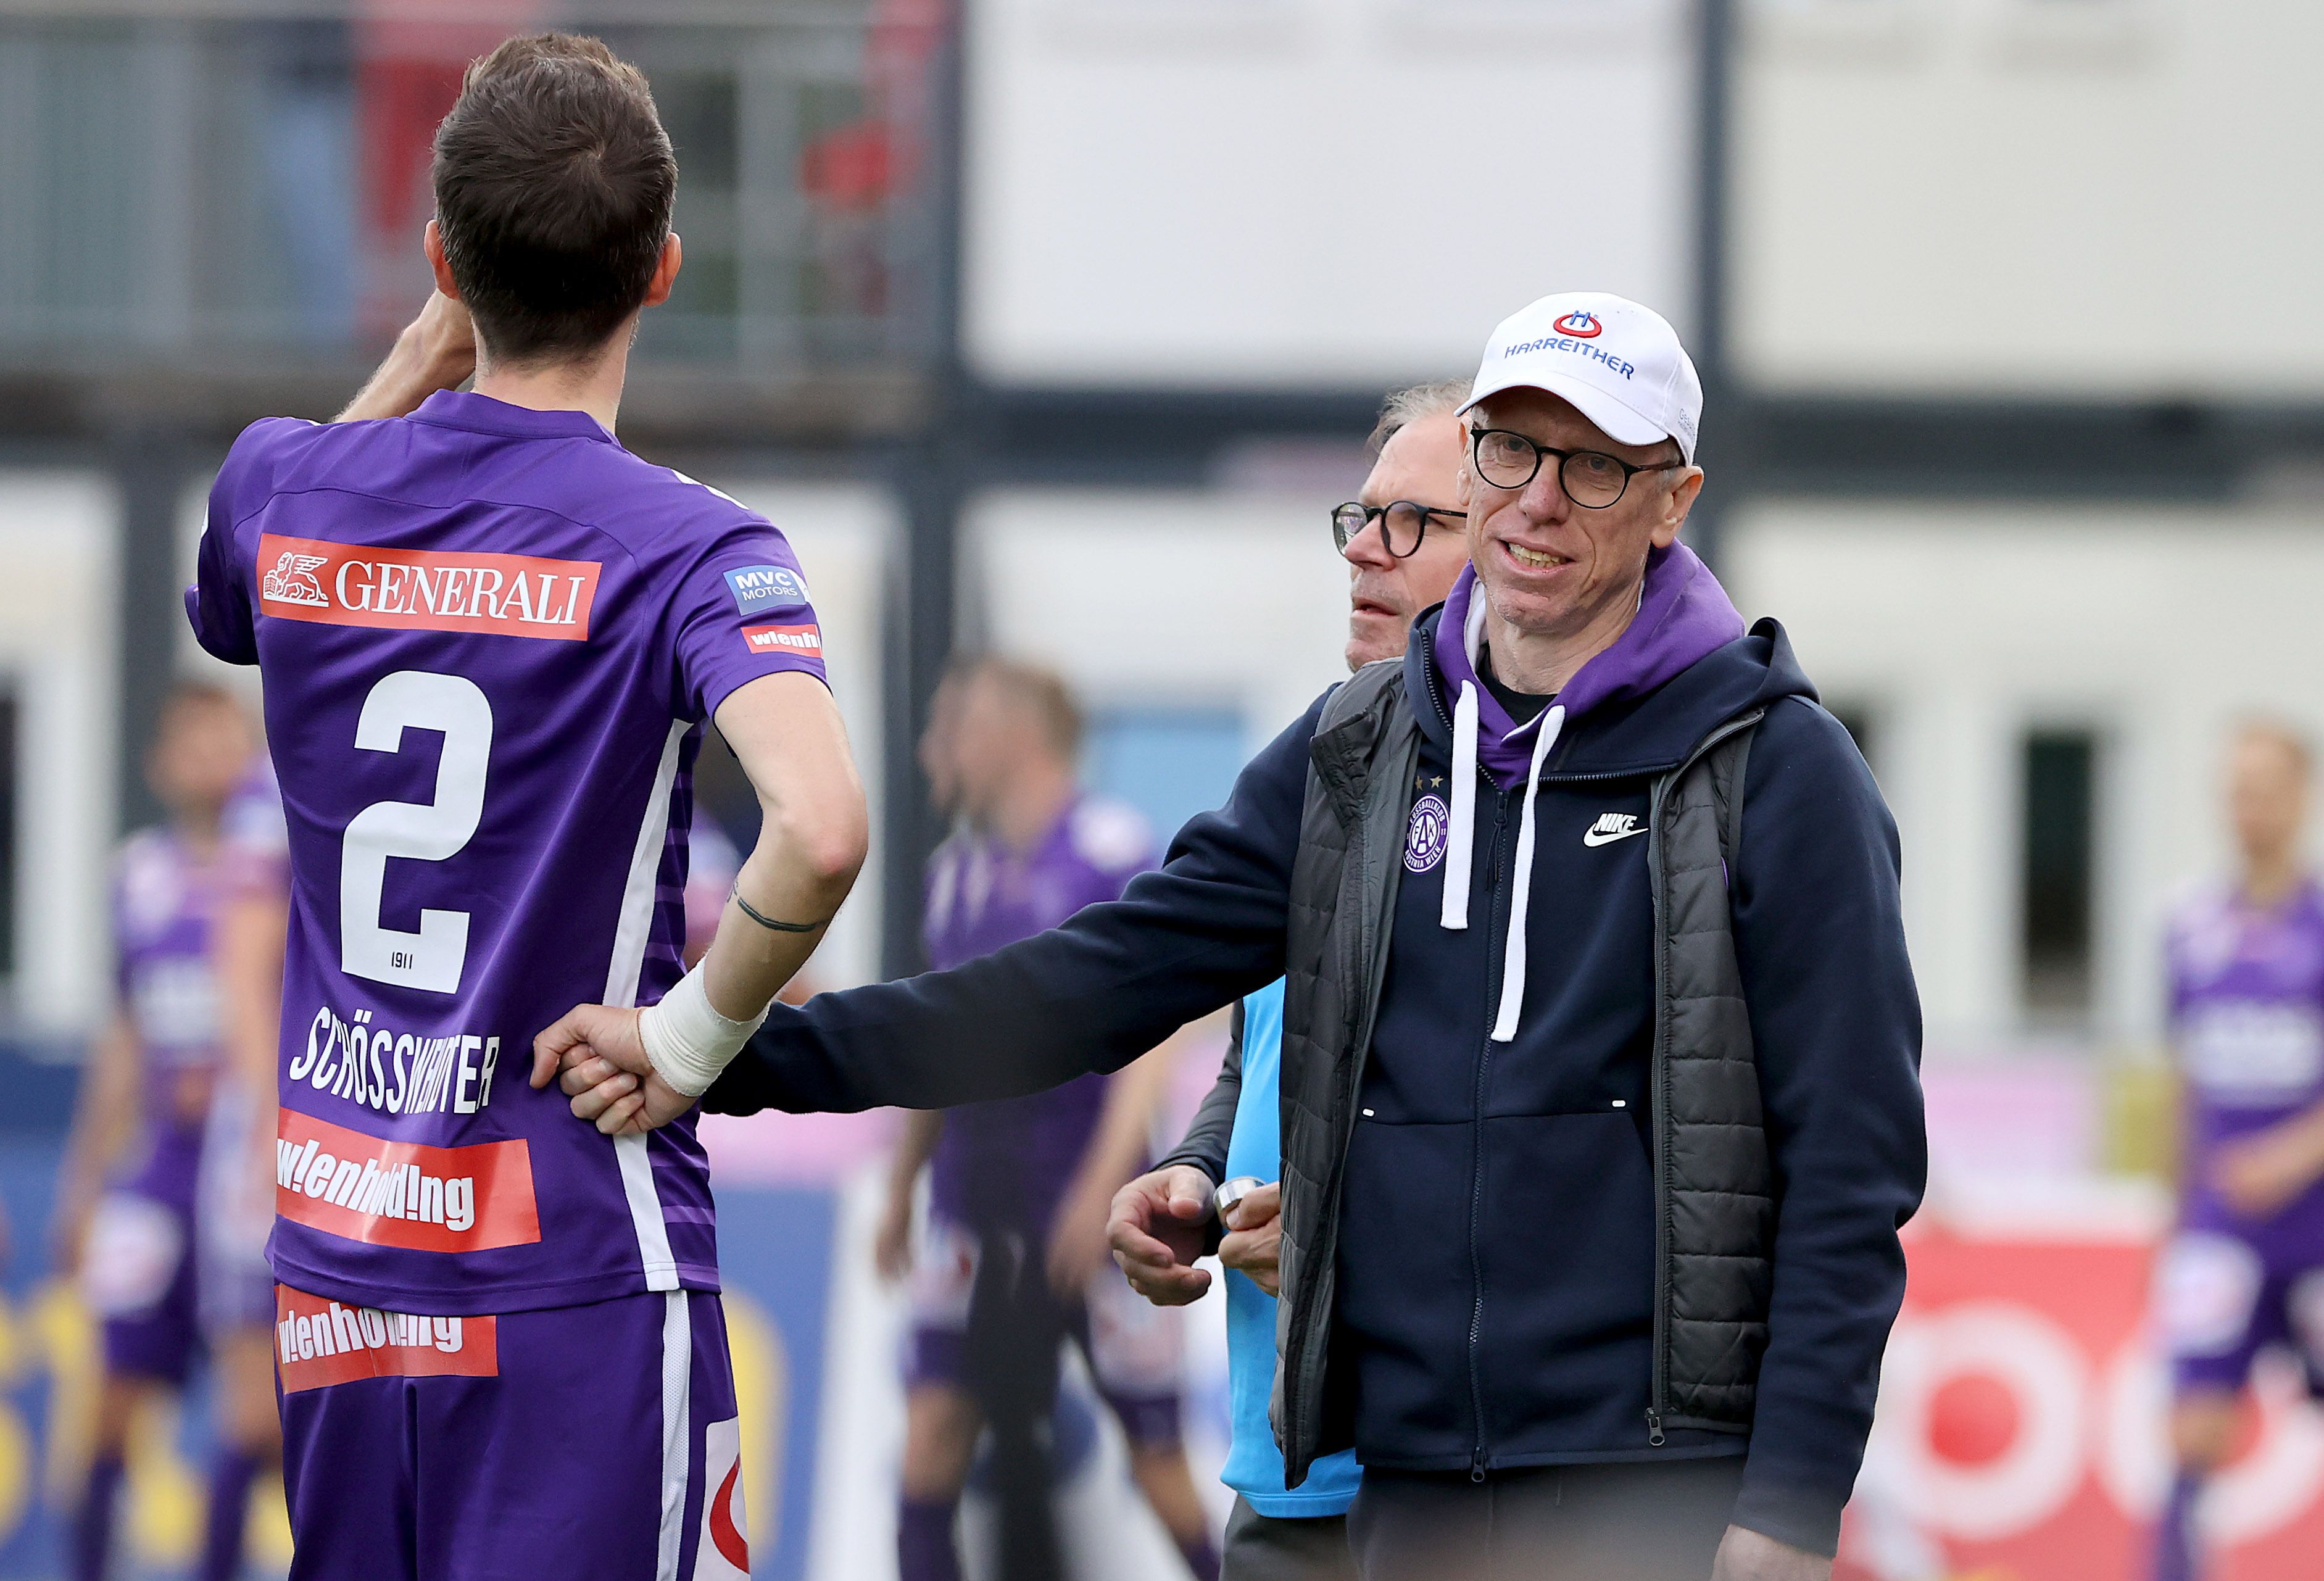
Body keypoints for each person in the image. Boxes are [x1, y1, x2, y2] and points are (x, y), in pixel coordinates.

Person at [546, 291, 1927, 1581]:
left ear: (1672, 501)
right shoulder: (1358, 748)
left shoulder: (1778, 769)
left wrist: (1787, 1508)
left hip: (1656, 1490)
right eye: (1511, 454)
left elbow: (1848, 1165)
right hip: (1398, 1479)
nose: (1539, 504)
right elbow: (1094, 981)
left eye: (1595, 468)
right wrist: (720, 1045)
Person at [185, 33, 869, 1580]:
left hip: (342, 1255)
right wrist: (694, 1038)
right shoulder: (691, 548)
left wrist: (425, 356)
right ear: (664, 271)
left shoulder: (285, 485)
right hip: (570, 1261)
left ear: (440, 256)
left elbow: (239, 599)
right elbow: (821, 825)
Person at [1157, 377, 1472, 1581]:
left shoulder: (1528, 805)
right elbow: (1262, 1039)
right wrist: (1192, 1171)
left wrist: (1352, 1242)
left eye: (1416, 525)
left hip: (1434, 1474)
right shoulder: (1323, 759)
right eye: (1361, 517)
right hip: (1278, 1459)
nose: (1365, 555)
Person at [879, 656, 1218, 1581]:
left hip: (1097, 1210)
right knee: (930, 1441)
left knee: (1157, 1462)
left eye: (955, 721)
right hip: (970, 1208)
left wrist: (1101, 1183)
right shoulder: (953, 875)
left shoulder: (1109, 848)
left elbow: (1156, 1025)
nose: (933, 745)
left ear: (1016, 732)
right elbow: (931, 1041)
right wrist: (902, 1184)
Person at [54, 682, 265, 1581]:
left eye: (223, 734)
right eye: (189, 738)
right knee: (109, 1397)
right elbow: (124, 1034)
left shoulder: (286, 865)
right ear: (159, 761)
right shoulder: (138, 873)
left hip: (249, 1165)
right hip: (158, 1173)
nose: (207, 753)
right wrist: (84, 1177)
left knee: (254, 1416)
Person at [2151, 722, 2324, 1581]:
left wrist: (2290, 1157)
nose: (2246, 806)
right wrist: (2176, 1208)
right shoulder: (2189, 926)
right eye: (2235, 787)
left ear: (2300, 796)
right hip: (2221, 1223)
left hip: (2315, 1221)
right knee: (2190, 1431)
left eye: (2264, 787)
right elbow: (2180, 1078)